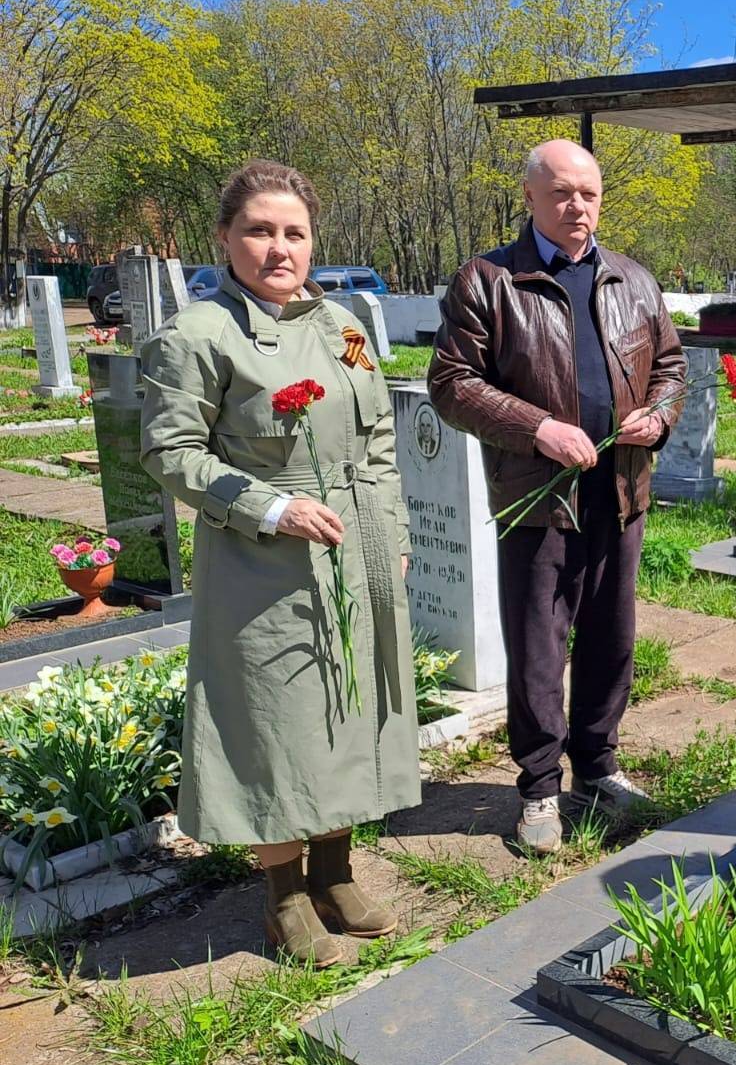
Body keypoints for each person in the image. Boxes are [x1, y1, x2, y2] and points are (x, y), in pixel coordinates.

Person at [140, 159, 420, 968]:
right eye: (258, 230)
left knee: (348, 704)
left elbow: (376, 436)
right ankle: (285, 897)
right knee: (274, 722)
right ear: (224, 238)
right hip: (261, 561)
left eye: (294, 232)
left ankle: (334, 873)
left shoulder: (343, 328)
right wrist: (271, 506)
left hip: (355, 542)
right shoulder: (198, 336)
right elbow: (171, 451)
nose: (278, 248)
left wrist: (392, 534)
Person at [429, 139, 685, 854]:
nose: (578, 206)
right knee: (539, 642)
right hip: (539, 496)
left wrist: (658, 416)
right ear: (531, 197)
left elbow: (670, 365)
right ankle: (540, 786)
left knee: (612, 635)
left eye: (589, 193)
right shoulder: (490, 281)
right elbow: (452, 382)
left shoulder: (631, 279)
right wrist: (538, 428)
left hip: (620, 488)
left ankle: (598, 767)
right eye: (562, 193)